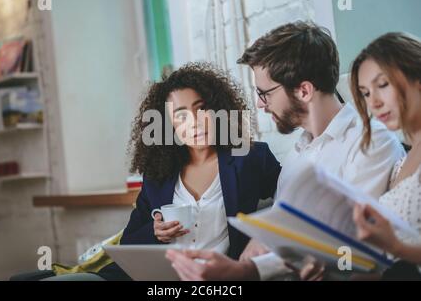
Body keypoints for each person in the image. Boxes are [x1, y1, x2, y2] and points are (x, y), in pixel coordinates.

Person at [166, 22, 406, 281]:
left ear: (304, 90)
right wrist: (258, 244)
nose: (259, 104)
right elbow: (287, 238)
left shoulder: (370, 142)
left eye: (264, 93)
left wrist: (249, 270)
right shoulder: (296, 156)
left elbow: (355, 247)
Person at [95, 62, 282, 280]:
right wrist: (155, 232)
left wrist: (260, 240)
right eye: (181, 115)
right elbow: (129, 242)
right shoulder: (159, 173)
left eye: (201, 108)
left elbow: (292, 201)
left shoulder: (250, 158)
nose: (194, 123)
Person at [350, 32, 421, 280]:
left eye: (382, 85)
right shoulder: (401, 162)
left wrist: (397, 248)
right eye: (365, 93)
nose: (374, 102)